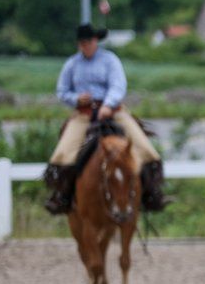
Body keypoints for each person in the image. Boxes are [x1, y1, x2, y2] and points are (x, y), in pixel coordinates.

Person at [44, 23, 169, 214]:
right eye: (83, 42)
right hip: (84, 114)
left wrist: (108, 105)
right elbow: (62, 91)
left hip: (113, 111)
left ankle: (152, 193)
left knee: (145, 149)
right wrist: (76, 99)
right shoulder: (72, 64)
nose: (86, 45)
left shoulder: (110, 60)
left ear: (96, 41)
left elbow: (118, 86)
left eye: (90, 41)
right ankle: (62, 196)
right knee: (62, 154)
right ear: (79, 44)